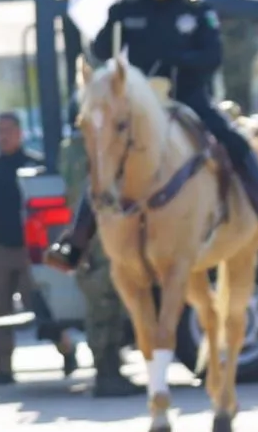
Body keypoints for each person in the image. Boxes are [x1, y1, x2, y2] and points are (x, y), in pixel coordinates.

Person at [46, 0, 258, 270]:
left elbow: (212, 57)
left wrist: (178, 60)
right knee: (107, 155)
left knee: (234, 140)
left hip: (188, 96)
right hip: (141, 102)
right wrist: (113, 17)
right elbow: (100, 49)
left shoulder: (196, 10)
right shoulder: (130, 8)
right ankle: (77, 239)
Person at [0, 112, 75, 383]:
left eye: (9, 130)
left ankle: (66, 349)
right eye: (0, 130)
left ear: (20, 133)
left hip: (33, 252)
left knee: (41, 307)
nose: (4, 136)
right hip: (2, 251)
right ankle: (4, 368)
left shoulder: (36, 167)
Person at [61, 132, 145, 398]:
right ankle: (107, 375)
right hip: (98, 239)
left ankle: (110, 371)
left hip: (93, 238)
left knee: (105, 307)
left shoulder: (71, 149)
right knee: (104, 307)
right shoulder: (92, 149)